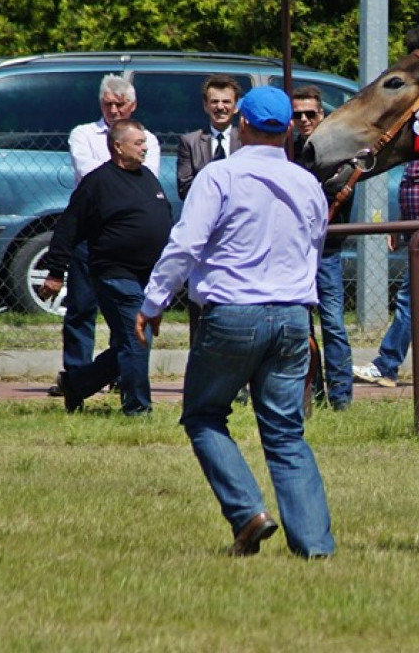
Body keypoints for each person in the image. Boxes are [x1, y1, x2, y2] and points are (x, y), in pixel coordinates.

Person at [136, 86, 334, 559]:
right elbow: (315, 247)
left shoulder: (219, 176)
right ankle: (315, 546)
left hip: (231, 314)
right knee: (286, 432)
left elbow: (185, 244)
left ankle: (247, 513)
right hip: (291, 314)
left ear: (241, 124)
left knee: (204, 415)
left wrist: (153, 302)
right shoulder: (308, 183)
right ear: (287, 129)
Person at [39, 119, 172, 415]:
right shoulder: (97, 183)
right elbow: (68, 227)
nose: (145, 147)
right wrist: (55, 272)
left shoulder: (147, 177)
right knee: (136, 341)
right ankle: (137, 410)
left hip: (147, 278)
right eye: (138, 143)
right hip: (115, 274)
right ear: (118, 146)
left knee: (133, 342)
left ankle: (77, 383)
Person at [352, 158, 419, 388]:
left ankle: (386, 366)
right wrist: (401, 226)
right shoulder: (416, 157)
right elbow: (415, 193)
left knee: (408, 301)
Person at [290, 85, 353, 411]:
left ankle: (341, 399)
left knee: (333, 324)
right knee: (301, 326)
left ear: (321, 115)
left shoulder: (335, 150)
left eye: (310, 114)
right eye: (297, 114)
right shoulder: (288, 150)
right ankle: (309, 394)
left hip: (327, 251)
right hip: (294, 252)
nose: (303, 120)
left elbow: (337, 195)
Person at [176, 75, 242, 344]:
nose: (221, 107)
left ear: (236, 106)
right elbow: (184, 188)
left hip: (238, 234)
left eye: (227, 102)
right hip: (204, 236)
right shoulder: (191, 142)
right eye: (215, 101)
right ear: (205, 105)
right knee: (200, 305)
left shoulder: (245, 139)